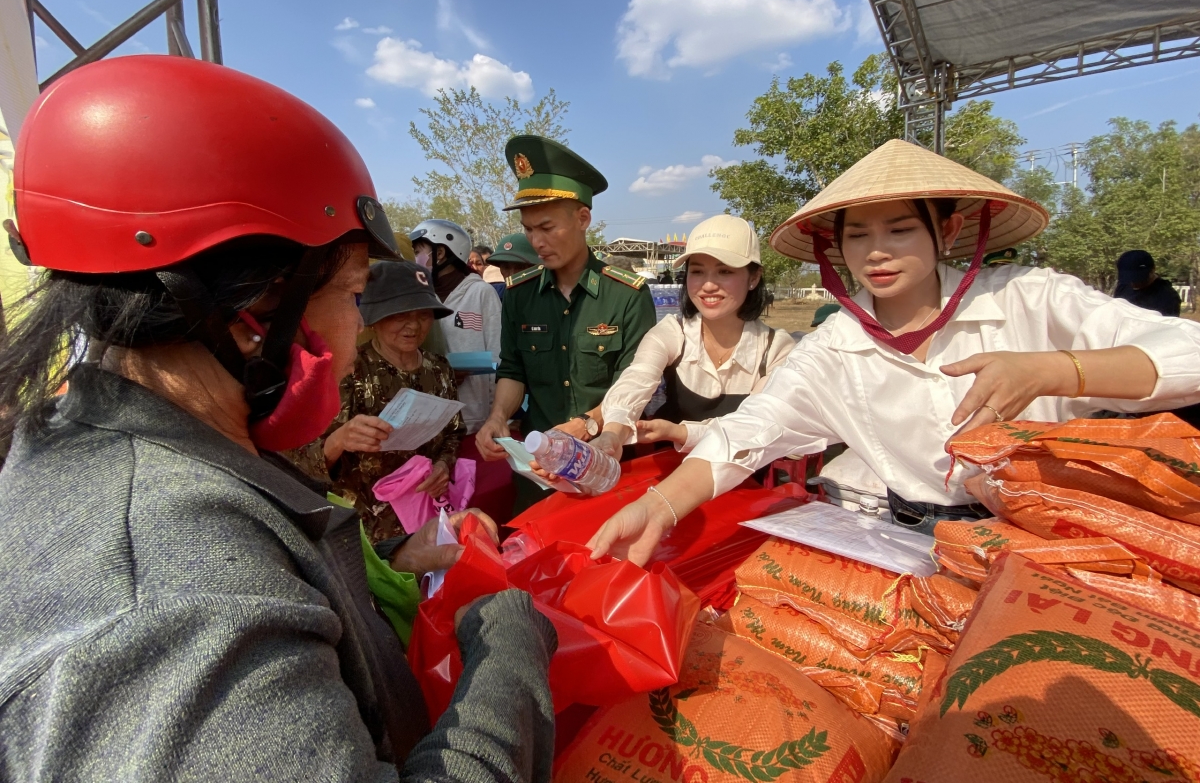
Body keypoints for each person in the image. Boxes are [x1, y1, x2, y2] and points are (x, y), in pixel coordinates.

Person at [0, 56, 556, 782]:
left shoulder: (118, 457)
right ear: (249, 315)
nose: (359, 336)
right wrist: (507, 652)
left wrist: (387, 564)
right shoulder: (175, 607)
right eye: (354, 294)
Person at [589, 138, 1200, 561]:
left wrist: (1055, 370)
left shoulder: (1030, 301)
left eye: (901, 229)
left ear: (949, 231)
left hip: (1050, 543)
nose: (876, 252)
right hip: (908, 542)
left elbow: (1187, 353)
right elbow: (749, 432)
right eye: (857, 235)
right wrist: (662, 504)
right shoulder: (834, 348)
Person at [474, 135, 657, 509]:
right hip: (538, 471)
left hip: (606, 464)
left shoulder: (626, 294)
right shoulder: (520, 294)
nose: (536, 242)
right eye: (528, 229)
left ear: (583, 218)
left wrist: (584, 426)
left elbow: (637, 384)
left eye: (546, 227)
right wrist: (497, 417)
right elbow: (513, 369)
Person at [286, 260, 465, 543]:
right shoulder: (348, 370)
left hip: (426, 516)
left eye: (423, 314)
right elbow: (298, 458)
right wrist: (340, 440)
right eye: (401, 315)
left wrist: (443, 466)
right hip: (363, 530)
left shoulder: (439, 369)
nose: (414, 325)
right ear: (376, 317)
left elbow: (454, 432)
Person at [591, 215, 793, 458]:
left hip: (742, 485)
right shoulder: (672, 332)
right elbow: (636, 380)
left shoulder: (776, 349)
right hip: (669, 476)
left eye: (724, 271)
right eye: (697, 271)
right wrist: (613, 433)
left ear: (754, 277)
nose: (708, 285)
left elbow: (755, 427)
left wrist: (681, 433)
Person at [409, 220, 511, 520]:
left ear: (442, 253)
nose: (418, 258)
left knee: (476, 501)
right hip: (429, 421)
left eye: (420, 251)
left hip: (474, 419)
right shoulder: (420, 294)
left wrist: (497, 413)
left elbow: (498, 352)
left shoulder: (479, 293)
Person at [1114, 249, 1181, 317]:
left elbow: (1166, 326)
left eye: (1138, 278)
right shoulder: (1123, 286)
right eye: (1128, 278)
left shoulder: (1168, 297)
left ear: (1152, 270)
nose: (1133, 283)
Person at [486, 231, 539, 299]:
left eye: (520, 267)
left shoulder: (550, 298)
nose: (512, 274)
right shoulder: (495, 296)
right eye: (506, 267)